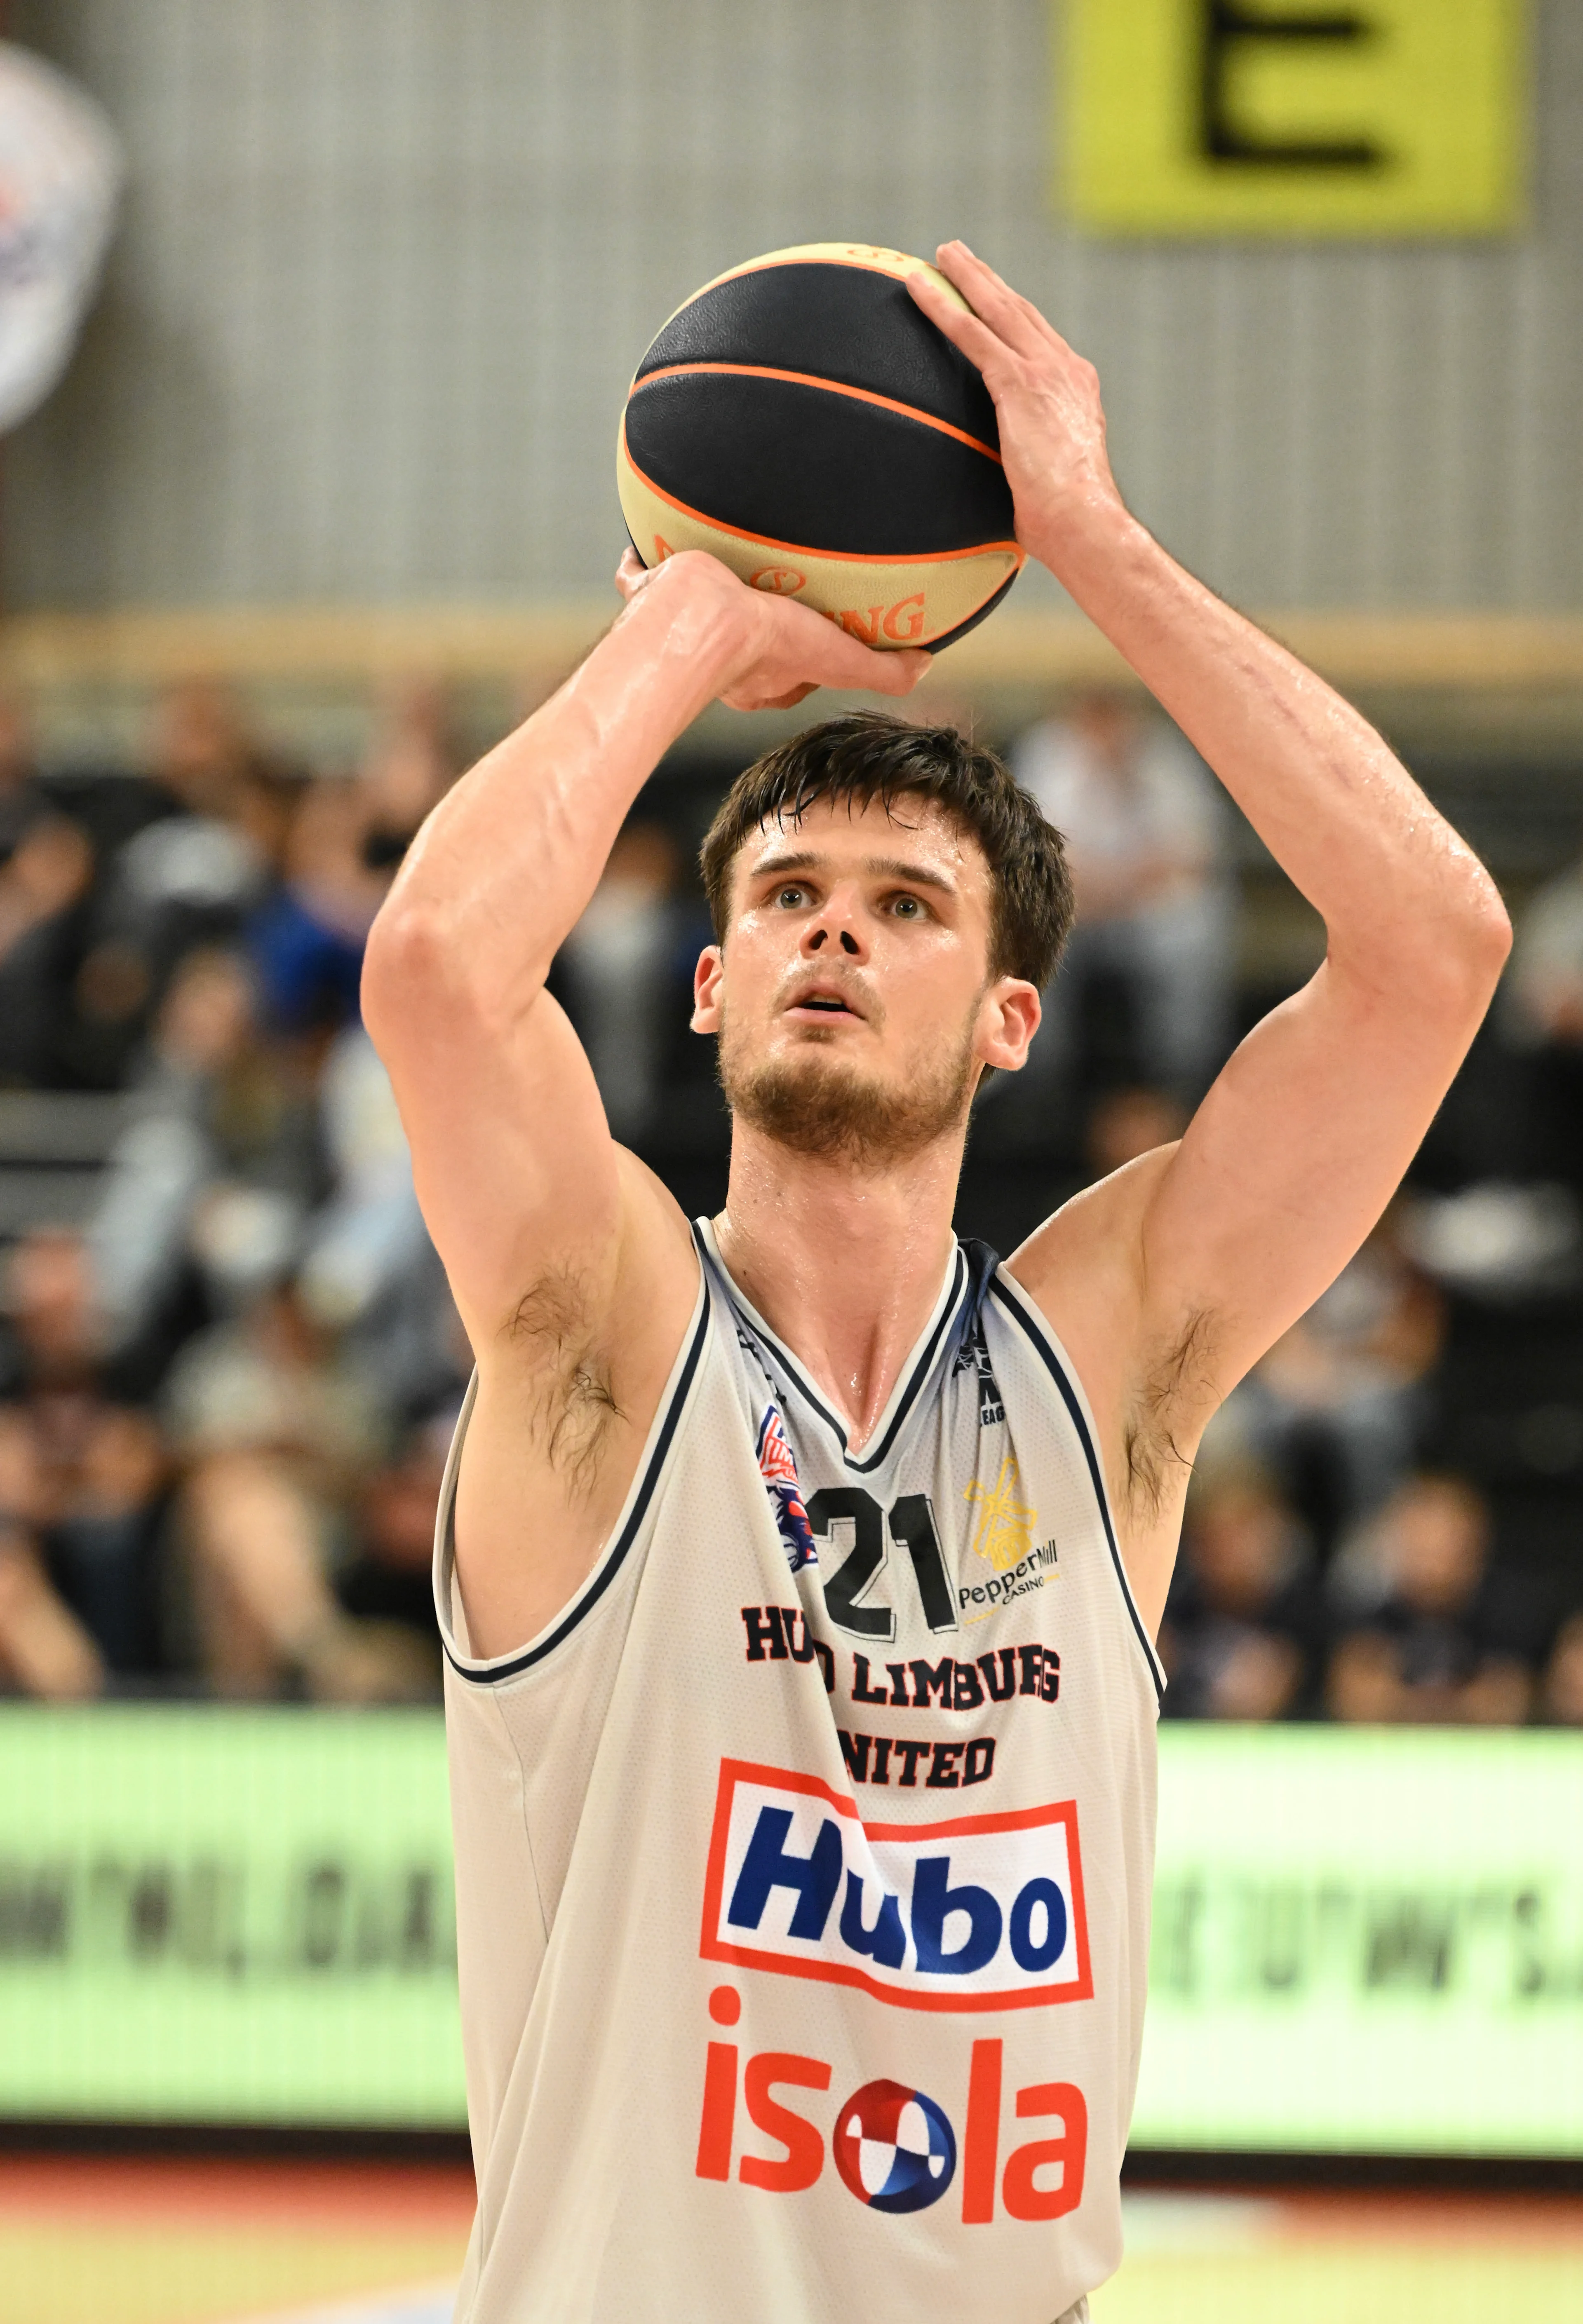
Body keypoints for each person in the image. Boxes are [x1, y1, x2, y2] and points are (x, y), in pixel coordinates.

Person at [362, 244, 1509, 2324]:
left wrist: (1095, 539)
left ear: (1003, 1016)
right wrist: (702, 603)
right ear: (708, 987)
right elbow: (441, 966)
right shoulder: (599, 1335)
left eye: (904, 906)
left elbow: (1434, 942)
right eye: (787, 896)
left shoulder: (1108, 1352)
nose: (833, 935)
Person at [1013, 686, 1232, 1107]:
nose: (1107, 732)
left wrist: (1124, 887)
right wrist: (1096, 889)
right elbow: (1038, 855)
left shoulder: (1164, 756)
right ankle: (1038, 1082)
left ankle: (1183, 1074)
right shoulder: (1049, 752)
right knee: (1031, 932)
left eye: (1115, 718)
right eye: (1096, 719)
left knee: (1195, 932)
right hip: (1076, 908)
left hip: (1148, 909)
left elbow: (1194, 853)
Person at [1326, 1473, 1545, 1726]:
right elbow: (1357, 1703)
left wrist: (1402, 1704)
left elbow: (1503, 1707)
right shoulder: (1365, 1608)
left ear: (1476, 1542)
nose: (1431, 1550)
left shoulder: (1509, 1615)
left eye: (1445, 1536)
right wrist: (1457, 1706)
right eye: (1420, 1535)